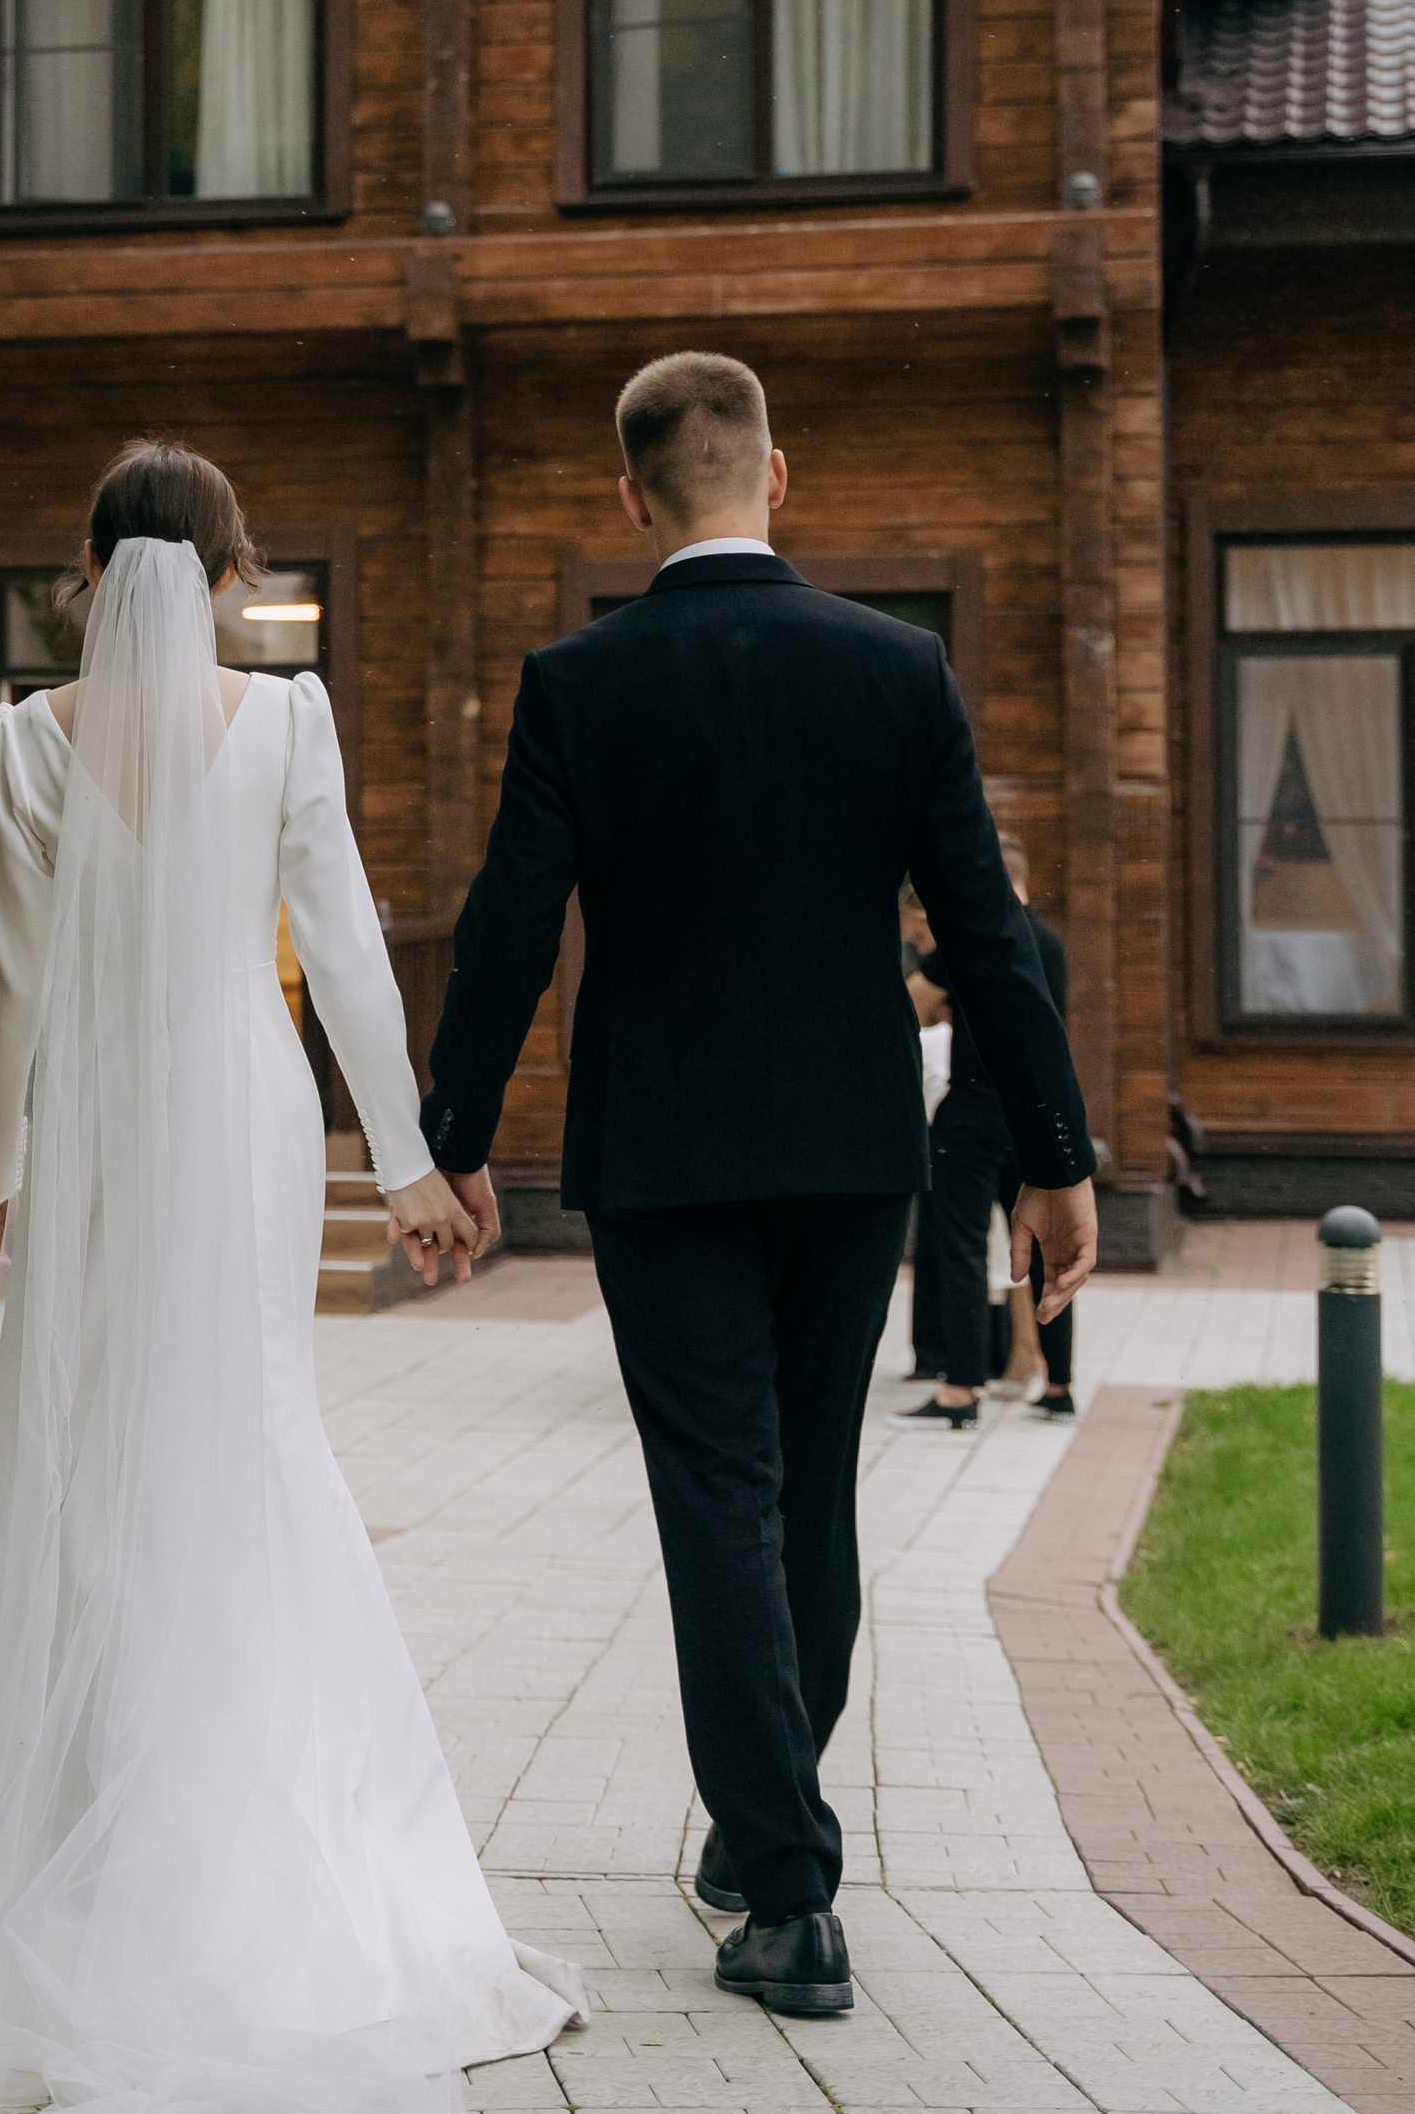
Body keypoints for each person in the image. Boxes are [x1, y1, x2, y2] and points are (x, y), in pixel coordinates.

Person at [0, 441, 582, 2114]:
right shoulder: (288, 718)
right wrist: (404, 1161)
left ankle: (64, 1825)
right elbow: (338, 943)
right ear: (233, 566)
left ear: (90, 573)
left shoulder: (24, 741)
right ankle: (251, 1842)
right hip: (244, 1110)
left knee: (82, 1441)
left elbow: (5, 979)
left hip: (96, 1117)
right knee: (250, 1423)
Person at [421, 352, 1097, 2024]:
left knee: (719, 1495)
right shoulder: (898, 669)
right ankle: (768, 1833)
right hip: (856, 1144)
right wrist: (1058, 1155)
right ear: (776, 476)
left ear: (632, 496)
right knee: (810, 1487)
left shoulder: (580, 682)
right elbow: (986, 935)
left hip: (660, 1154)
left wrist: (448, 1137)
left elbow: (512, 922)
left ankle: (787, 1887)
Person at [896, 836, 1076, 1430]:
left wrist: (943, 1004)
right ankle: (1059, 1385)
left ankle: (961, 1388)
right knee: (1051, 1248)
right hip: (1033, 1117)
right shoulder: (1049, 944)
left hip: (972, 1114)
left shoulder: (972, 941)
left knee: (962, 1250)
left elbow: (909, 1009)